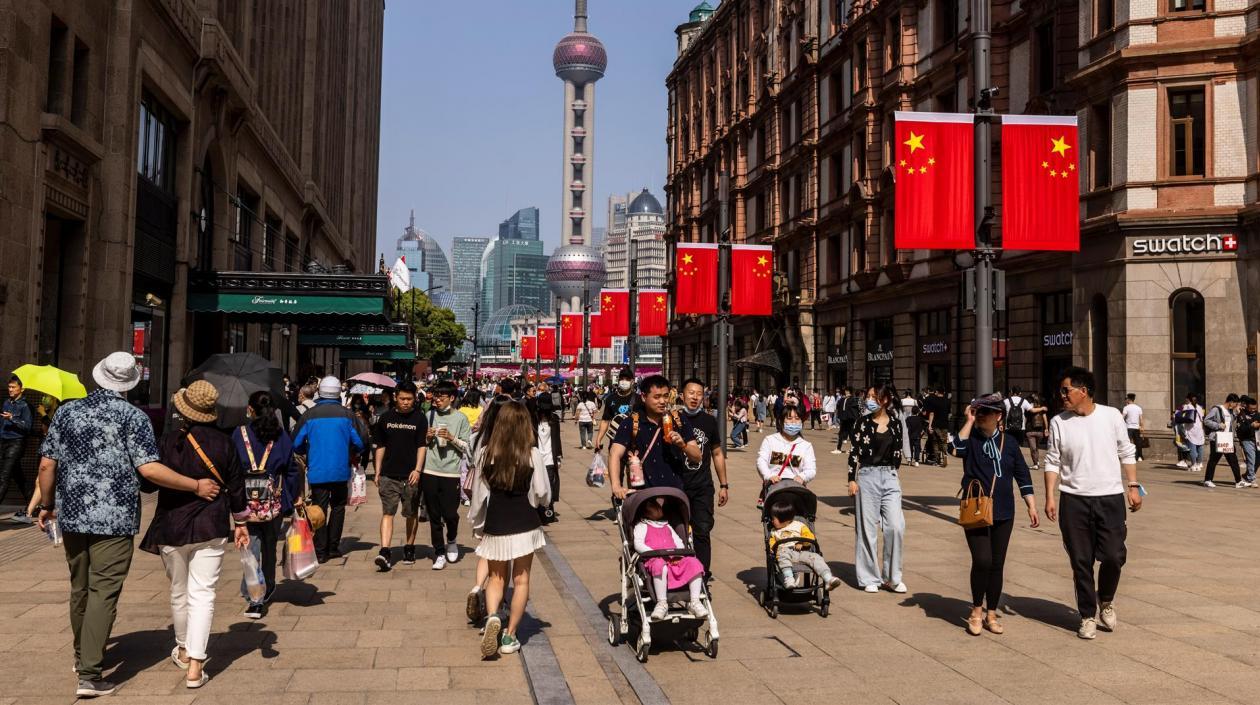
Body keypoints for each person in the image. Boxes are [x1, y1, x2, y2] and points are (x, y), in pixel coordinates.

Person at [35, 352, 220, 698]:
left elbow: (47, 465)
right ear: (129, 384)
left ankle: (81, 655)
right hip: (115, 518)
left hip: (73, 514)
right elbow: (149, 469)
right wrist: (195, 485)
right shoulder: (133, 417)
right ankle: (90, 673)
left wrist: (47, 505)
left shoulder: (67, 411)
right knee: (104, 589)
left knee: (80, 587)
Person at [140, 381, 249, 689]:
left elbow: (147, 483)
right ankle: (197, 666)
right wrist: (241, 522)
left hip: (171, 526)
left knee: (178, 589)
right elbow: (237, 487)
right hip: (211, 526)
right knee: (203, 593)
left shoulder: (168, 441)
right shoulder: (225, 443)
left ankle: (184, 648)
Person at [1043, 366, 1141, 640]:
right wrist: (1050, 496)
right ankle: (1087, 615)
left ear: (1083, 391)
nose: (1062, 396)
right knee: (1081, 561)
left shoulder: (1111, 416)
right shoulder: (1059, 422)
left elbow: (1126, 450)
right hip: (1073, 500)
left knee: (1113, 556)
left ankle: (1105, 599)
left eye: (1066, 390)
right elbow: (1052, 460)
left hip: (1109, 498)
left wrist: (1133, 486)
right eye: (1061, 391)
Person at [949, 394, 1039, 636]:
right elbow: (954, 449)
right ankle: (976, 611)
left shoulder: (1009, 443)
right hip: (975, 507)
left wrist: (1031, 505)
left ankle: (991, 612)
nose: (980, 416)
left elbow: (1022, 475)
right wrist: (968, 421)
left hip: (1003, 510)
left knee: (997, 564)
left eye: (984, 413)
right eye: (978, 412)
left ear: (998, 416)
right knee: (983, 561)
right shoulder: (971, 440)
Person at [468, 401, 551, 658]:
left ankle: (493, 616)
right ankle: (510, 635)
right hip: (525, 524)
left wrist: (477, 523)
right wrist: (540, 504)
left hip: (497, 524)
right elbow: (542, 492)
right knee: (521, 579)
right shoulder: (532, 454)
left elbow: (479, 495)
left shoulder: (485, 454)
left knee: (496, 578)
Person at [232, 391, 300, 618]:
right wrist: (291, 498)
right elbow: (291, 470)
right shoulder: (281, 437)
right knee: (270, 545)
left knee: (250, 549)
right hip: (274, 502)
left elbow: (231, 468)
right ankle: (268, 586)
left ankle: (254, 597)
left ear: (251, 409)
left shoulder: (239, 434)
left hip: (245, 500)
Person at [292, 376, 368, 562]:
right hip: (340, 469)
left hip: (317, 469)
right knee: (338, 507)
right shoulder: (347, 415)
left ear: (320, 391)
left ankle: (320, 550)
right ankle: (333, 547)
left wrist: (306, 452)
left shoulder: (309, 415)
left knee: (319, 508)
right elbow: (361, 442)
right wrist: (351, 452)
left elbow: (295, 443)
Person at [847, 384, 907, 593]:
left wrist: (893, 473)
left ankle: (892, 577)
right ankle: (869, 577)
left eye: (874, 397)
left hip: (890, 476)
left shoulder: (896, 424)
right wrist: (851, 479)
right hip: (867, 475)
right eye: (868, 396)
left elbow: (898, 451)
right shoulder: (861, 423)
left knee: (896, 526)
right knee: (867, 529)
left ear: (885, 400)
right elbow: (854, 452)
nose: (870, 400)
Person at [607, 375, 703, 499]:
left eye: (665, 396)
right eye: (657, 397)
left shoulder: (678, 420)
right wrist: (616, 486)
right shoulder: (631, 423)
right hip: (643, 497)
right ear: (643, 397)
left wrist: (683, 445)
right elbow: (614, 454)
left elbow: (697, 457)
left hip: (675, 495)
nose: (662, 401)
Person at [371, 382, 428, 571]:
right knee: (388, 512)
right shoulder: (385, 418)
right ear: (396, 397)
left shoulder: (420, 419)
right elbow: (381, 446)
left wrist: (418, 470)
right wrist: (377, 470)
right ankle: (385, 550)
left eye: (409, 399)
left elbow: (422, 445)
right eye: (402, 398)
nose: (405, 402)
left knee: (410, 513)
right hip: (389, 474)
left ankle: (409, 547)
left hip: (410, 474)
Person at [677, 379, 729, 579]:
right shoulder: (673, 419)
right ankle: (679, 574)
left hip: (702, 486)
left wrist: (724, 485)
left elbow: (717, 453)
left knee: (702, 531)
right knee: (675, 533)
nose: (695, 397)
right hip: (678, 486)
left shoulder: (709, 421)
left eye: (699, 393)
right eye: (691, 392)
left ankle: (702, 573)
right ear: (682, 395)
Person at [423, 381, 472, 569]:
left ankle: (451, 539)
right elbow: (422, 444)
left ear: (451, 398)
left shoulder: (461, 418)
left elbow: (468, 447)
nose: (437, 400)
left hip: (451, 472)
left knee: (451, 513)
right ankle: (439, 552)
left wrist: (451, 438)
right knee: (434, 514)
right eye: (435, 396)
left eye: (441, 397)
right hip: (430, 469)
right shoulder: (429, 415)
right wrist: (427, 437)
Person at [634, 497, 709, 620]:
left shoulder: (667, 526)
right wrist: (654, 553)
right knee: (659, 565)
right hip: (654, 559)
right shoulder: (642, 526)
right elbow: (638, 544)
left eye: (658, 507)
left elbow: (678, 542)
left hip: (674, 559)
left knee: (693, 563)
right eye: (654, 508)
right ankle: (661, 603)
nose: (658, 509)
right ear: (645, 512)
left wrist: (678, 554)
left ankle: (695, 601)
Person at [767, 499, 842, 591]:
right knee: (782, 554)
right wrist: (772, 549)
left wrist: (802, 543)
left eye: (773, 518)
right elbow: (772, 543)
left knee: (816, 557)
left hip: (801, 551)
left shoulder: (799, 525)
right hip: (784, 552)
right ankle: (789, 578)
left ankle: (828, 578)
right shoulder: (774, 531)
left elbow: (810, 537)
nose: (771, 521)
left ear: (783, 519)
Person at [756, 405, 817, 500]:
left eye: (797, 418)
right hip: (774, 489)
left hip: (796, 490)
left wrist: (802, 477)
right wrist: (769, 476)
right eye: (789, 418)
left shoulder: (806, 446)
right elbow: (761, 461)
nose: (793, 421)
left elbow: (811, 469)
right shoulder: (770, 440)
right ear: (781, 421)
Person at [0, 375, 34, 522]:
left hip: (16, 443)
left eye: (13, 387)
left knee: (4, 476)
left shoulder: (25, 406)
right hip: (3, 442)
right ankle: (33, 502)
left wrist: (12, 418)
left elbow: (28, 427)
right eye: (9, 387)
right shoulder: (6, 402)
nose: (10, 390)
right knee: (18, 476)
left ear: (22, 389)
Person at [1202, 393, 1244, 489]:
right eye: (1235, 404)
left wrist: (1236, 413)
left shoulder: (1230, 411)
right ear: (1230, 402)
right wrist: (1218, 425)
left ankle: (1239, 481)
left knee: (1233, 460)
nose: (1235, 406)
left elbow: (1230, 422)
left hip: (1227, 439)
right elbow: (1206, 420)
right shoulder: (1217, 409)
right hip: (1217, 438)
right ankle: (1208, 480)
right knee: (1213, 460)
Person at [531, 393, 562, 522]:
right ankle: (537, 512)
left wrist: (559, 456)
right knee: (537, 486)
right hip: (536, 457)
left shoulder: (554, 420)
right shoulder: (533, 419)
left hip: (549, 458)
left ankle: (548, 513)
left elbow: (557, 439)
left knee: (549, 485)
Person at [594, 368, 637, 453]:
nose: (624, 381)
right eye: (622, 379)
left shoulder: (638, 399)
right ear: (618, 380)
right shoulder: (611, 398)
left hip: (633, 444)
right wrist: (599, 438)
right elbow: (605, 420)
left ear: (632, 381)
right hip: (615, 442)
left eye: (627, 379)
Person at [1177, 394, 1205, 472]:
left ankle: (1193, 464)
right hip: (1199, 429)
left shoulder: (1187, 406)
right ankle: (1199, 464)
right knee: (1200, 447)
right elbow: (1202, 419)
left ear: (1188, 399)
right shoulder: (1199, 407)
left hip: (1191, 429)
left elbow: (1180, 416)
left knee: (1192, 448)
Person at [1237, 396, 1259, 487]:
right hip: (1247, 440)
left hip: (1257, 440)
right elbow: (1241, 428)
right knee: (1251, 459)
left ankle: (1247, 475)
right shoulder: (1242, 414)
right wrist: (1251, 425)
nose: (1253, 410)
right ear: (1247, 406)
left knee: (1257, 461)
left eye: (1255, 408)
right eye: (1251, 408)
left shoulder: (1258, 414)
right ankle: (1251, 479)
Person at [1025, 393, 1050, 470]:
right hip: (1032, 431)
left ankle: (1036, 462)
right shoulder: (1041, 409)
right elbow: (1045, 419)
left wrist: (1046, 429)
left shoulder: (1030, 409)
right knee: (1034, 448)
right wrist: (1046, 428)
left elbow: (1045, 419)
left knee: (1035, 448)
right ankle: (1036, 463)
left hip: (1037, 431)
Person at [1120, 394, 1144, 462]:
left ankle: (1127, 456)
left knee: (1127, 442)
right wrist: (1142, 427)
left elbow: (1122, 418)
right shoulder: (1138, 408)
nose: (1125, 400)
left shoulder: (1126, 408)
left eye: (1126, 398)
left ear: (1128, 399)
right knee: (1138, 443)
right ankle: (1139, 456)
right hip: (1136, 428)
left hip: (1129, 428)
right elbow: (1141, 419)